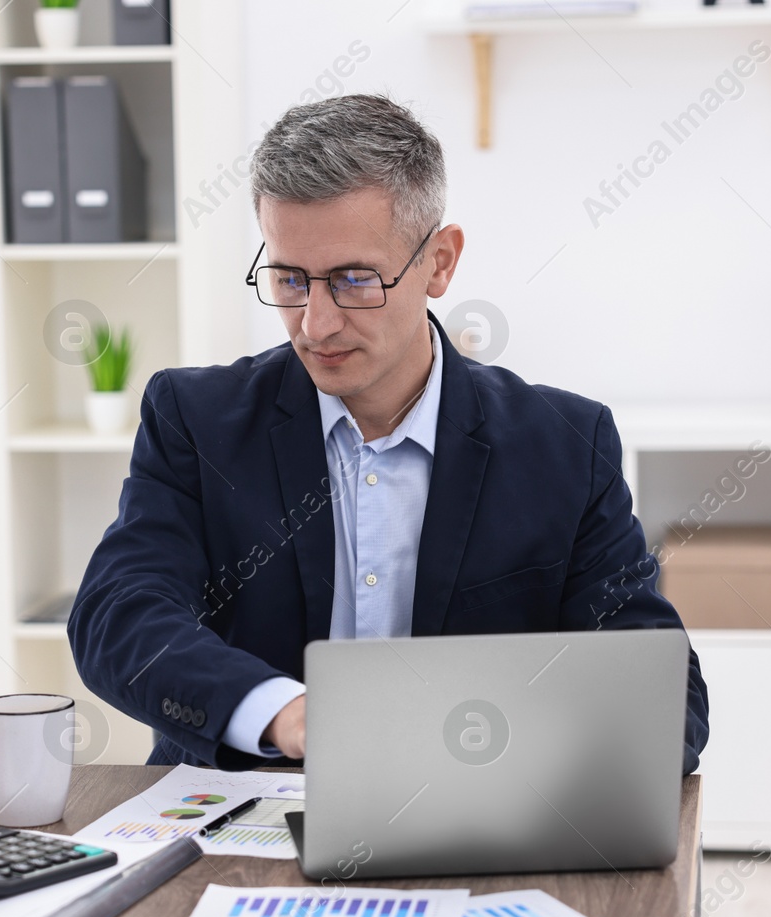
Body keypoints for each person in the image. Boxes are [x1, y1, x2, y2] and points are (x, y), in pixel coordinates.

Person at [69, 94, 708, 774]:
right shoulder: (195, 420)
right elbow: (119, 615)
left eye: (353, 280)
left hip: (476, 815)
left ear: (439, 262)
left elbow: (665, 698)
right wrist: (281, 713)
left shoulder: (564, 445)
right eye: (289, 279)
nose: (315, 324)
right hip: (244, 813)